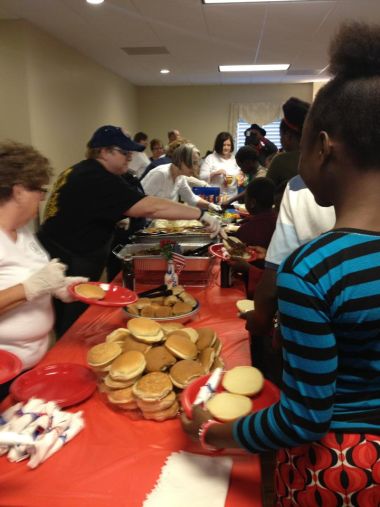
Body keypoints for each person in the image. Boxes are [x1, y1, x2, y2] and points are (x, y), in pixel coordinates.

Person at [181, 21, 380, 504]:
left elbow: (303, 417)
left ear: (323, 147)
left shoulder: (313, 269)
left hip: (342, 466)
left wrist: (214, 430)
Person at [38, 126, 221, 337]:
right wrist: (199, 214)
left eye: (130, 152)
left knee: (68, 318)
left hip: (62, 250)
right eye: (124, 152)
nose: (129, 157)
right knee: (73, 323)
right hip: (69, 258)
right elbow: (151, 206)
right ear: (104, 152)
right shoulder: (97, 177)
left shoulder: (83, 170)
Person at [0, 141, 87, 399]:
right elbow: (29, 285)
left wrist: (59, 286)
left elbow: (32, 275)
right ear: (18, 191)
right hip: (5, 372)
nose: (42, 196)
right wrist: (31, 288)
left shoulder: (23, 230)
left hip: (34, 361)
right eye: (39, 189)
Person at [229, 177, 277, 297]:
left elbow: (237, 259)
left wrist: (248, 269)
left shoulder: (248, 229)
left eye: (245, 198)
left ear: (252, 202)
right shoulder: (278, 219)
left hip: (261, 291)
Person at [141, 143, 221, 213]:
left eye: (196, 163)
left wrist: (209, 205)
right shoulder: (160, 174)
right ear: (181, 161)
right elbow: (142, 202)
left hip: (164, 222)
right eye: (194, 163)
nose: (195, 168)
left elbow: (191, 198)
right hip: (148, 223)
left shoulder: (180, 177)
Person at [266, 97, 310, 188]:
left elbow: (265, 194)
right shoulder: (317, 158)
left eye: (280, 136)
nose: (280, 140)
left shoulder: (280, 161)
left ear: (288, 136)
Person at [199, 132, 240, 196]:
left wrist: (241, 177)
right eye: (224, 145)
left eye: (228, 145)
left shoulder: (235, 159)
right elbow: (201, 177)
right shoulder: (210, 158)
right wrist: (215, 173)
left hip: (232, 197)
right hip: (214, 196)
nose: (226, 148)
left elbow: (240, 177)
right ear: (219, 145)